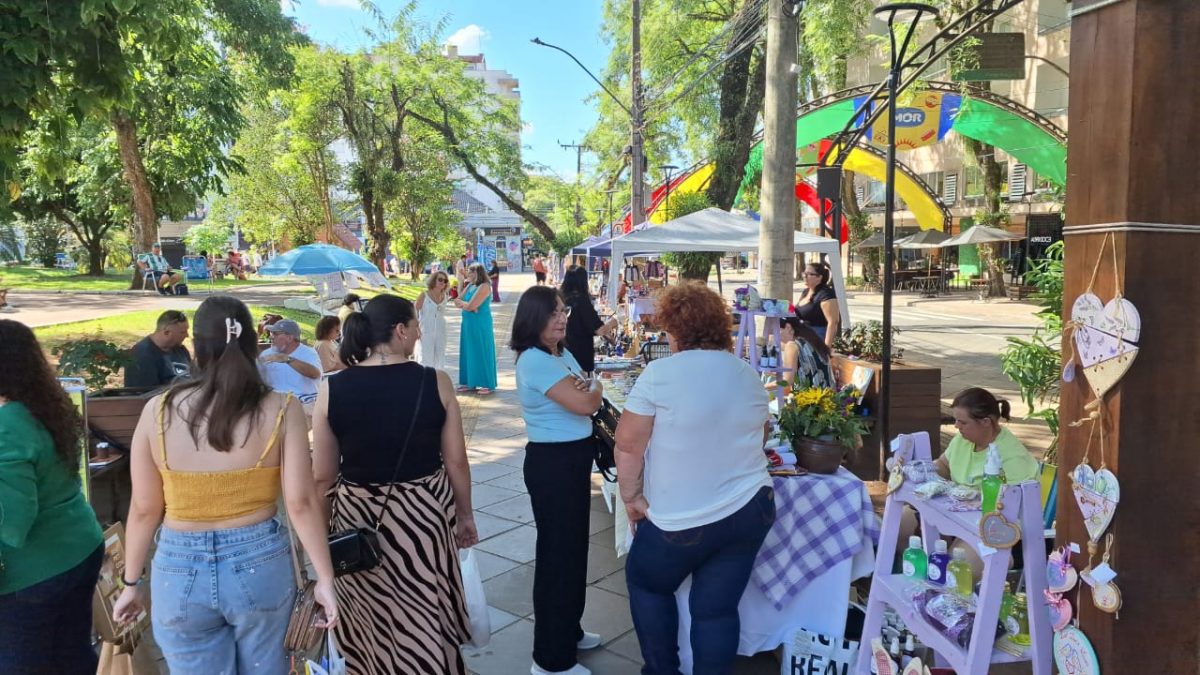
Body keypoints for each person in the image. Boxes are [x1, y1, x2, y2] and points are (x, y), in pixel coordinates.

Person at [112, 296, 338, 674]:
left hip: (177, 568)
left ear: (196, 347)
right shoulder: (282, 408)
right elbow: (300, 503)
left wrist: (131, 582)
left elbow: (144, 509)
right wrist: (325, 579)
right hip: (260, 562)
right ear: (253, 343)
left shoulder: (159, 410)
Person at [614, 282, 775, 675]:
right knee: (716, 611)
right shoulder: (747, 373)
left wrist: (632, 498)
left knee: (648, 582)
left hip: (682, 518)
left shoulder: (660, 373)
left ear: (675, 330)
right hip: (749, 508)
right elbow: (763, 433)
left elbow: (628, 445)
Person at [312, 294, 477, 674]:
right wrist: (464, 515)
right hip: (423, 515)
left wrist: (322, 539)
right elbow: (455, 461)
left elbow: (322, 476)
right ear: (401, 331)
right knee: (423, 602)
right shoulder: (434, 381)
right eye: (416, 325)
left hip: (356, 518)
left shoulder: (331, 388)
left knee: (369, 608)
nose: (419, 333)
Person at [0, 320, 105, 674]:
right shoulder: (46, 406)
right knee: (71, 654)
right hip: (79, 547)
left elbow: (12, 523)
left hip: (33, 572)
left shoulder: (7, 425)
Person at [510, 286, 605, 675]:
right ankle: (551, 659)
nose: (562, 319)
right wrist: (594, 387)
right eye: (552, 314)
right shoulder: (535, 360)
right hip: (553, 466)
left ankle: (569, 628)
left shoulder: (559, 353)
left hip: (572, 460)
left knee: (573, 552)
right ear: (533, 320)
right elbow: (586, 400)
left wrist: (589, 384)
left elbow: (583, 385)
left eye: (563, 311)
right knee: (557, 558)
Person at [937, 387, 1038, 486]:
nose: (956, 426)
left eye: (963, 422)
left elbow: (1015, 500)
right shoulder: (963, 438)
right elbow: (944, 465)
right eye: (956, 420)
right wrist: (926, 471)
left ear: (985, 422)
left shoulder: (1013, 458)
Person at [560, 265, 617, 375]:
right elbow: (599, 329)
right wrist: (612, 323)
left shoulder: (561, 298)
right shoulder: (581, 300)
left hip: (563, 352)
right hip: (580, 354)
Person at [454, 263, 498, 395]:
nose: (468, 274)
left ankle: (487, 383)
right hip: (468, 323)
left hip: (480, 324)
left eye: (470, 272)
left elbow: (471, 306)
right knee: (469, 350)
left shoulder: (484, 286)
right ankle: (470, 382)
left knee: (481, 350)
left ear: (477, 273)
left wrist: (469, 306)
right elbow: (457, 300)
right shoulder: (470, 286)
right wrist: (468, 305)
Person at [258, 319, 322, 403]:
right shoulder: (266, 354)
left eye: (275, 334)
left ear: (289, 338)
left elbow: (315, 374)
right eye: (271, 333)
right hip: (274, 403)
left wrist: (286, 359)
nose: (270, 336)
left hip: (303, 402)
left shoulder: (308, 353)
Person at [125, 310, 192, 387]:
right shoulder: (142, 355)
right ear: (167, 332)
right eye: (183, 332)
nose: (187, 335)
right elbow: (145, 394)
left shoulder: (180, 350)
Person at [777, 316, 834, 390]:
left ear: (788, 327)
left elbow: (787, 381)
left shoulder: (791, 345)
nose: (776, 335)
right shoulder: (811, 340)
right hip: (828, 396)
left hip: (808, 398)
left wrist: (764, 386)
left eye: (777, 330)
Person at [795, 261, 840, 349]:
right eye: (805, 273)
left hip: (816, 339)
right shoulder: (806, 292)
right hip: (801, 337)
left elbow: (833, 322)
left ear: (819, 277)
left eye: (810, 274)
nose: (805, 277)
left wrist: (826, 349)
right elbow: (798, 311)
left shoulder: (826, 294)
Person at [415, 271, 451, 370]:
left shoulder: (445, 296)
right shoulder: (424, 295)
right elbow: (415, 311)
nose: (443, 282)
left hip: (441, 330)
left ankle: (437, 380)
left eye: (445, 280)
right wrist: (416, 328)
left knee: (440, 357)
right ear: (433, 280)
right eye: (440, 279)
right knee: (425, 357)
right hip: (425, 329)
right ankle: (423, 380)